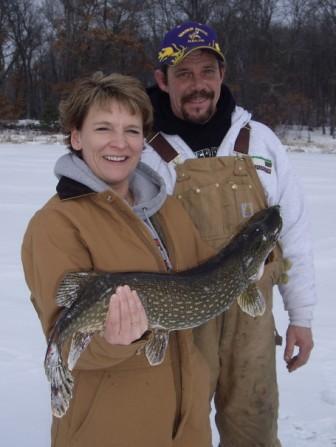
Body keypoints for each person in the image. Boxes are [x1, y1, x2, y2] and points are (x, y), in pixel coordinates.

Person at [142, 21, 316, 447]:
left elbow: (292, 234)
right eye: (183, 73)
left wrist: (301, 318)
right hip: (179, 313)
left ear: (222, 76)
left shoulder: (262, 142)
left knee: (253, 425)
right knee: (180, 427)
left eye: (207, 72)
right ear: (162, 80)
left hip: (252, 318)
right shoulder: (142, 148)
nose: (197, 85)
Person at [21, 72, 215, 447]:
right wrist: (115, 340)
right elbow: (63, 345)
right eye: (103, 128)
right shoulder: (56, 225)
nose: (119, 143)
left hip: (186, 423)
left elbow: (205, 276)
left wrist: (249, 264)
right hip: (110, 429)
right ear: (76, 137)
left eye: (132, 130)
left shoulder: (167, 209)